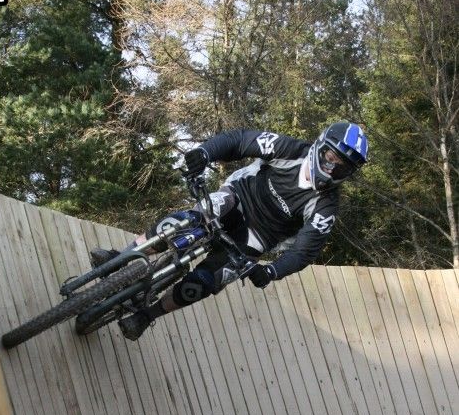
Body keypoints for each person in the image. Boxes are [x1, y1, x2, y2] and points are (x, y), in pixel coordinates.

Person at [91, 121, 369, 341]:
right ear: (320, 145)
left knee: (203, 283)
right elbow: (239, 140)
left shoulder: (326, 207)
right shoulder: (289, 149)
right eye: (332, 158)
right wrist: (204, 153)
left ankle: (147, 316)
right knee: (184, 222)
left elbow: (304, 251)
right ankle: (123, 257)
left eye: (343, 168)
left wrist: (271, 272)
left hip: (256, 239)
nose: (333, 170)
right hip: (236, 198)